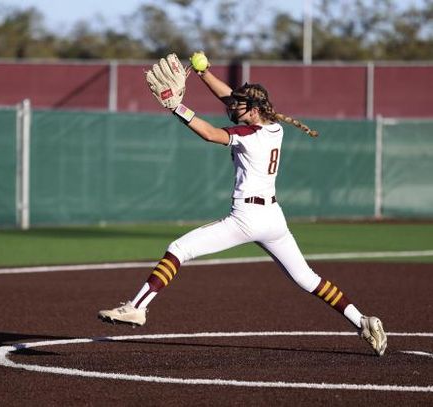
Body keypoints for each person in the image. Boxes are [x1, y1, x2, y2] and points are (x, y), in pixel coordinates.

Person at [98, 52, 387, 356]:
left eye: (240, 104)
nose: (233, 106)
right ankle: (363, 321)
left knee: (179, 248)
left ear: (253, 110)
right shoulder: (275, 127)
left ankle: (137, 307)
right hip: (273, 218)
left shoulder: (248, 134)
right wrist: (204, 72)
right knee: (308, 279)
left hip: (247, 218)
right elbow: (228, 96)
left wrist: (177, 108)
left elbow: (210, 134)